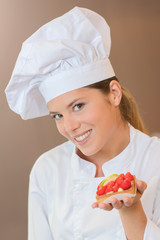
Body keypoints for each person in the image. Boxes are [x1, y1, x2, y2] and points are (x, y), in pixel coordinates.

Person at [5, 6, 160, 240]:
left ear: (114, 93)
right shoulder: (47, 170)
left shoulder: (156, 160)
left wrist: (131, 212)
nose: (69, 127)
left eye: (78, 106)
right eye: (57, 115)